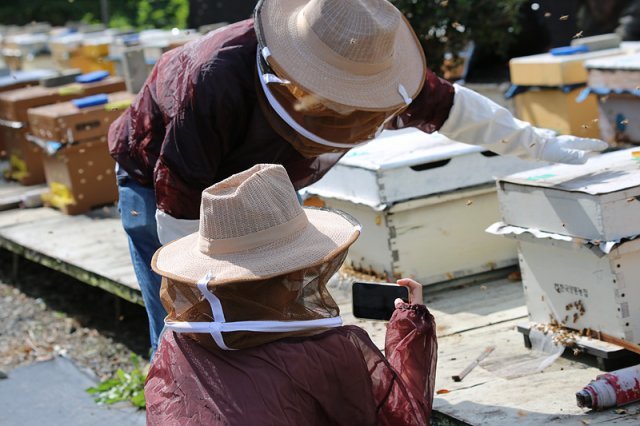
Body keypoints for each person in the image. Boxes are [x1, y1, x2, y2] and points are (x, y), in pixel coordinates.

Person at [108, 0, 608, 355]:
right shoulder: (212, 78)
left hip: (265, 191)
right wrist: (204, 301)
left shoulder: (367, 59)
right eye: (336, 96)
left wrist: (541, 144)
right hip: (160, 186)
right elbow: (179, 205)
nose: (348, 110)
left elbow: (452, 106)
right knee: (185, 340)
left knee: (272, 327)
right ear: (295, 71)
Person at [144, 163, 438, 425]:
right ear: (297, 273)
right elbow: (401, 417)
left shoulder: (177, 344)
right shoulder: (328, 352)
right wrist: (411, 329)